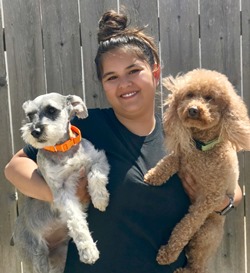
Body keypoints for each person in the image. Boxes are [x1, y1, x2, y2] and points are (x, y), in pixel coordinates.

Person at [5, 9, 242, 273]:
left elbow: (232, 188)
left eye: (133, 71)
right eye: (112, 77)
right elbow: (16, 167)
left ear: (154, 72)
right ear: (102, 85)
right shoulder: (83, 128)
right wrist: (58, 194)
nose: (124, 84)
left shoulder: (185, 131)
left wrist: (222, 202)